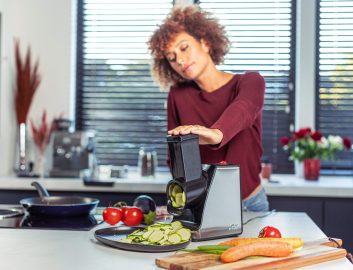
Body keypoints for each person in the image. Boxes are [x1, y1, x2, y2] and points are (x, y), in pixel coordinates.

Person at [148, 5, 269, 212]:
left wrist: (216, 134)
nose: (180, 60)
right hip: (205, 206)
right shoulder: (178, 95)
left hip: (251, 204)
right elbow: (175, 158)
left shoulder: (250, 81)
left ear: (204, 42)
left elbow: (244, 108)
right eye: (171, 57)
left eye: (184, 48)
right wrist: (181, 202)